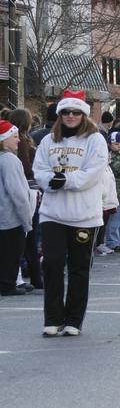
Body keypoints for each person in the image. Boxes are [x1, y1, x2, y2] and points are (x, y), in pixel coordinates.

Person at [32, 89, 109, 336]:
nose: (71, 116)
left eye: (76, 112)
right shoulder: (48, 141)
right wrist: (48, 180)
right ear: (60, 114)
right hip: (53, 213)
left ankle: (74, 320)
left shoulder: (95, 139)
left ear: (84, 114)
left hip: (84, 215)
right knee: (52, 264)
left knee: (79, 268)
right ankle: (53, 319)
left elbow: (93, 172)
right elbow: (39, 169)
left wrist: (65, 179)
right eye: (66, 112)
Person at [8, 108, 41, 289]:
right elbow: (25, 168)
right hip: (28, 190)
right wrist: (41, 170)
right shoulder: (19, 143)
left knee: (29, 237)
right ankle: (24, 275)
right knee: (28, 235)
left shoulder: (23, 140)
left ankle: (32, 274)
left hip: (31, 190)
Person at [0, 120, 34, 296]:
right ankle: (8, 285)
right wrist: (27, 220)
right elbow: (18, 194)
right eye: (14, 137)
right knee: (11, 254)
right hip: (10, 219)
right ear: (3, 139)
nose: (18, 140)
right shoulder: (10, 160)